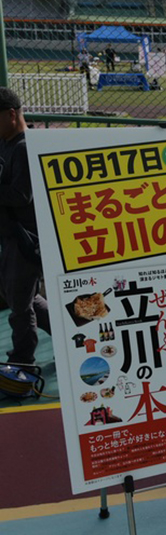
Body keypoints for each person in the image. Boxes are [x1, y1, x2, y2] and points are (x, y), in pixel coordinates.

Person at [0, 89, 50, 366]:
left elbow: (21, 195)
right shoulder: (6, 143)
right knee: (17, 296)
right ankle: (71, 335)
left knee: (19, 306)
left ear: (11, 115)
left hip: (26, 238)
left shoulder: (24, 147)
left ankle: (23, 363)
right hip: (11, 236)